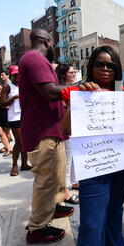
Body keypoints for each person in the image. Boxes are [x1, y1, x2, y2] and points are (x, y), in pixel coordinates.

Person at [61, 46, 124, 246]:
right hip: (92, 167)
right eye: (100, 64)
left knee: (114, 213)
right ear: (92, 67)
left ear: (117, 69)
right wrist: (79, 99)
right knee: (92, 222)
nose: (106, 68)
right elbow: (64, 129)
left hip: (120, 164)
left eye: (111, 65)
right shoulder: (81, 92)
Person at [18, 29, 74, 244]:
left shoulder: (35, 60)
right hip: (43, 132)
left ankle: (55, 207)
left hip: (51, 129)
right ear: (47, 41)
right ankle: (37, 228)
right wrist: (77, 88)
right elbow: (50, 91)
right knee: (46, 180)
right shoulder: (35, 59)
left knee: (57, 175)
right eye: (53, 43)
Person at [0, 65, 31, 177]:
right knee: (19, 141)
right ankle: (14, 165)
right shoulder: (7, 87)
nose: (18, 77)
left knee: (25, 141)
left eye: (19, 75)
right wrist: (14, 98)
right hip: (14, 117)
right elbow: (2, 104)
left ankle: (24, 164)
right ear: (11, 75)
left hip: (26, 115)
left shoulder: (25, 85)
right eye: (15, 75)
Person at [56, 64, 80, 205]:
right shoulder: (59, 90)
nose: (74, 74)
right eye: (71, 72)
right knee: (67, 159)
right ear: (64, 74)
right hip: (66, 128)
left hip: (76, 127)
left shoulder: (75, 88)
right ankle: (65, 191)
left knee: (75, 156)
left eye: (74, 71)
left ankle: (75, 181)